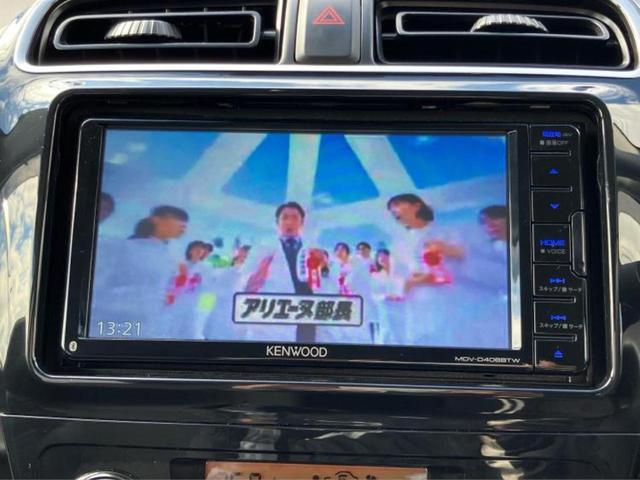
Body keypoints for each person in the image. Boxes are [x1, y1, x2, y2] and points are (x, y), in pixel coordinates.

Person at [89, 205, 189, 340]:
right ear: (155, 219)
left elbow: (173, 283)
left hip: (149, 321)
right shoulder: (123, 247)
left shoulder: (171, 254)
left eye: (185, 223)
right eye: (178, 219)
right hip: (114, 320)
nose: (183, 226)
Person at [386, 193, 465, 347]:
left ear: (417, 206)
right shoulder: (399, 243)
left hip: (449, 302)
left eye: (397, 205)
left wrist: (446, 254)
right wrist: (409, 283)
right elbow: (396, 277)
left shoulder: (447, 233)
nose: (393, 211)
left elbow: (464, 262)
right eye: (391, 209)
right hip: (417, 305)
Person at [240, 201, 315, 342]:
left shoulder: (313, 249)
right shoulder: (262, 249)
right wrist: (254, 279)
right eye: (285, 218)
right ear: (277, 222)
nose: (289, 222)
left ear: (302, 222)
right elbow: (243, 279)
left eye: (294, 218)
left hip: (307, 315)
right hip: (273, 317)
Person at [371, 249, 407, 345]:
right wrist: (385, 296)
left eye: (384, 256)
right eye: (379, 256)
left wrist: (400, 297)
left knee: (400, 335)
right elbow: (373, 295)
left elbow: (406, 291)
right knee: (385, 334)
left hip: (400, 309)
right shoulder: (376, 276)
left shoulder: (400, 275)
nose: (382, 258)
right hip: (385, 309)